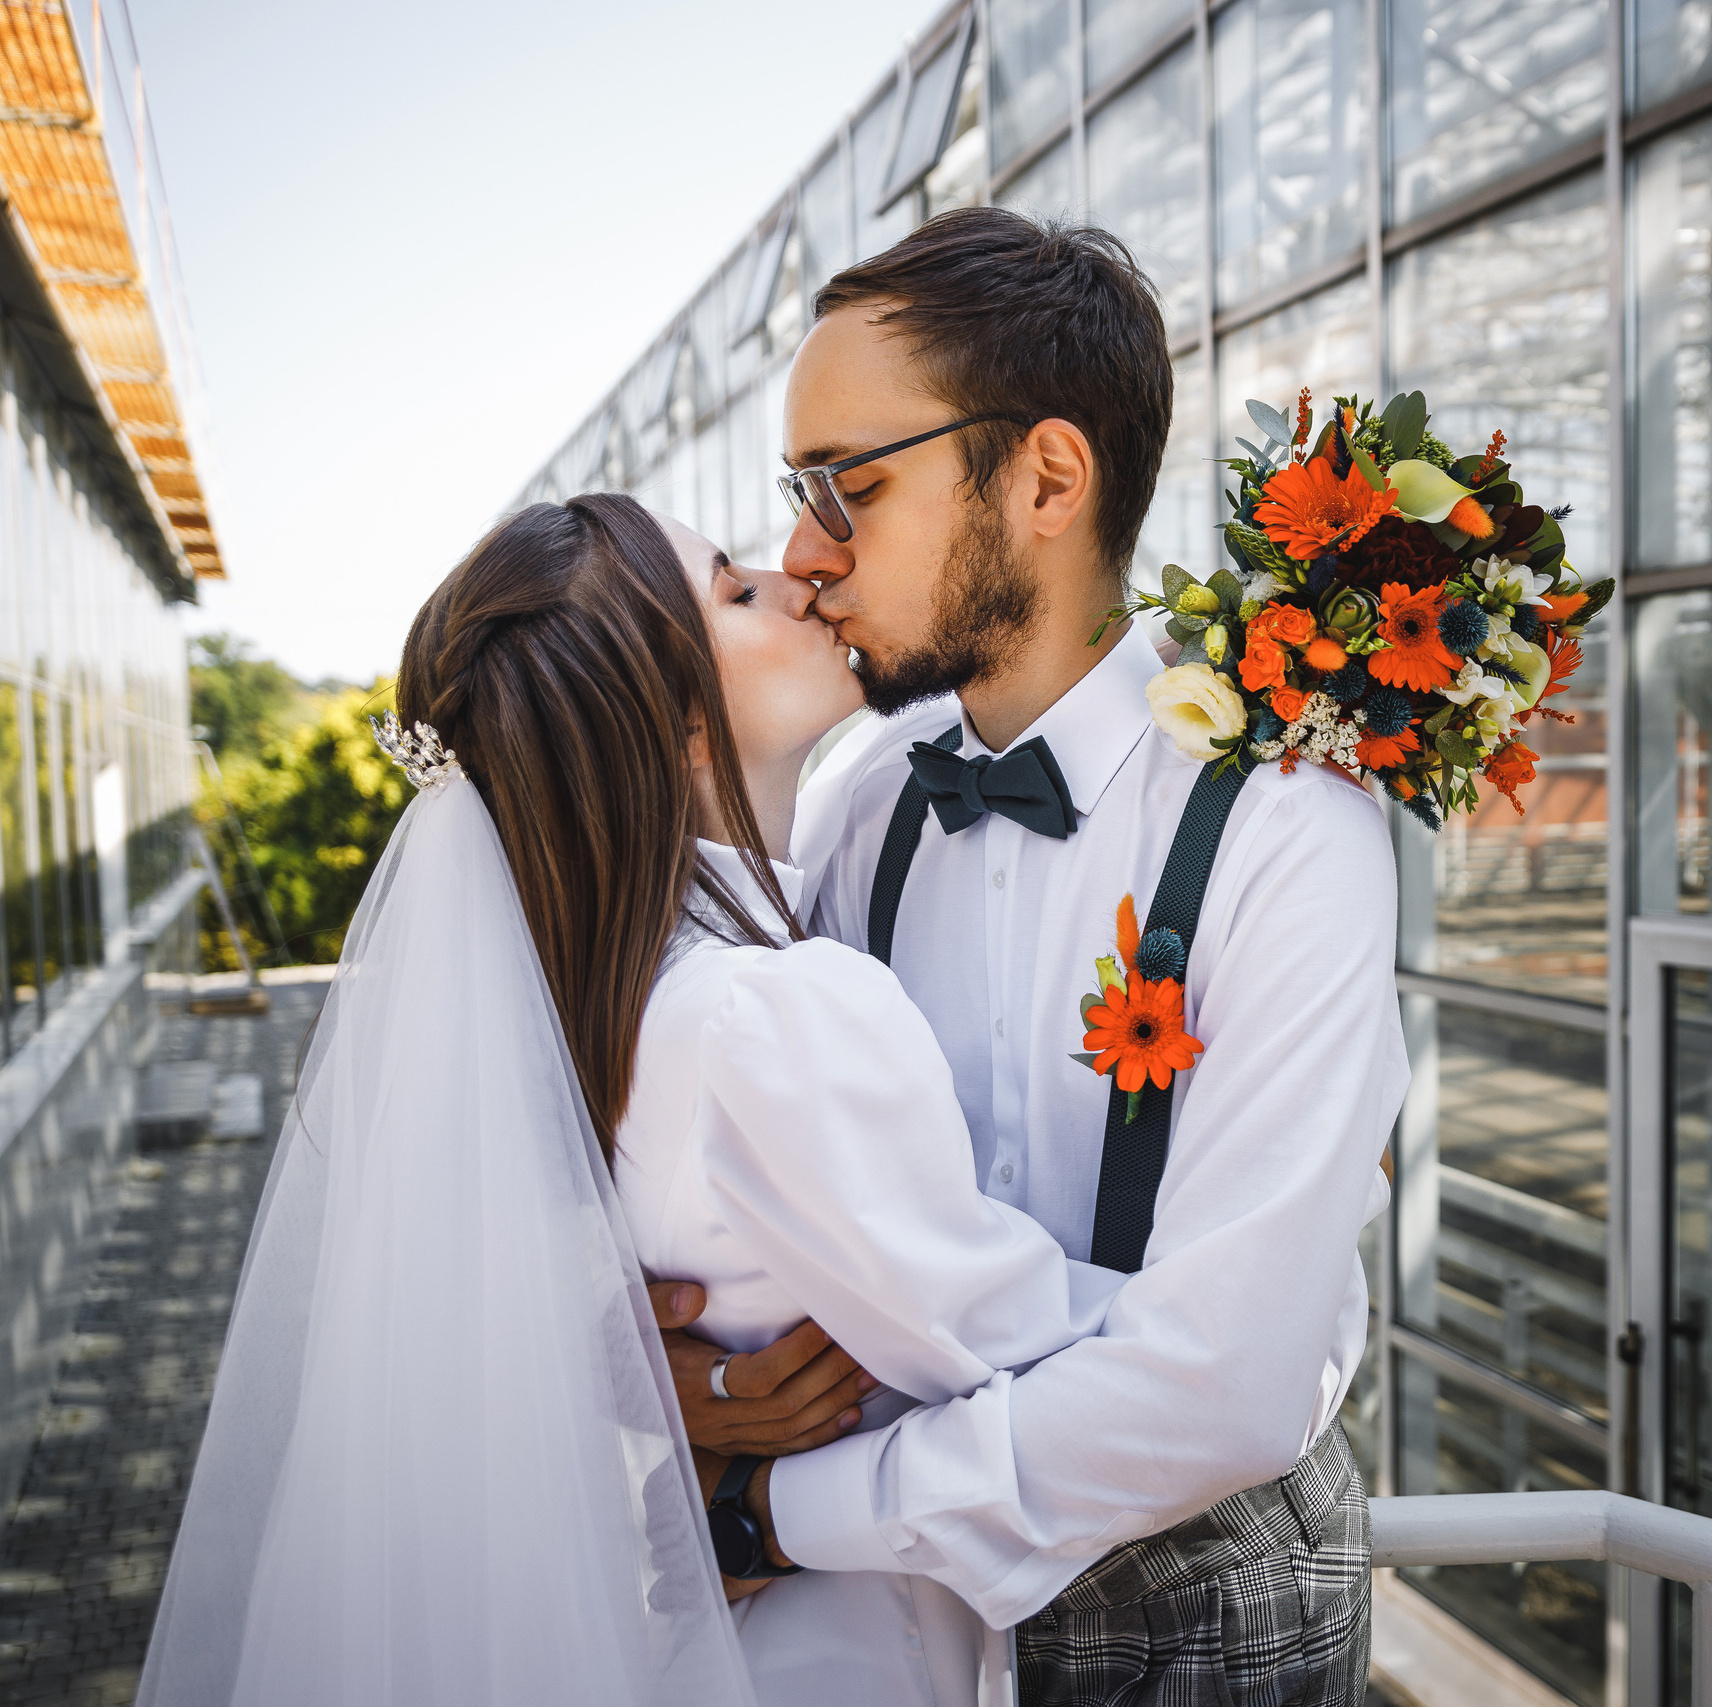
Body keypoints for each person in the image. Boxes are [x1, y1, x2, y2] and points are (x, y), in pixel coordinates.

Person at [137, 493, 1130, 1707]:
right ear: (681, 726)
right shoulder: (762, 1012)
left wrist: (669, 1390)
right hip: (854, 1649)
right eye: (735, 591)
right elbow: (1030, 1345)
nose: (800, 576)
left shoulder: (595, 1002)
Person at [677, 209, 1408, 1706]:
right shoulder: (859, 807)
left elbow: (1228, 1381)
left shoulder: (1288, 821)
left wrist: (771, 1512)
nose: (806, 554)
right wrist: (685, 1375)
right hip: (902, 1622)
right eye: (800, 494)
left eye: (850, 486)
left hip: (1211, 1615)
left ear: (1049, 480)